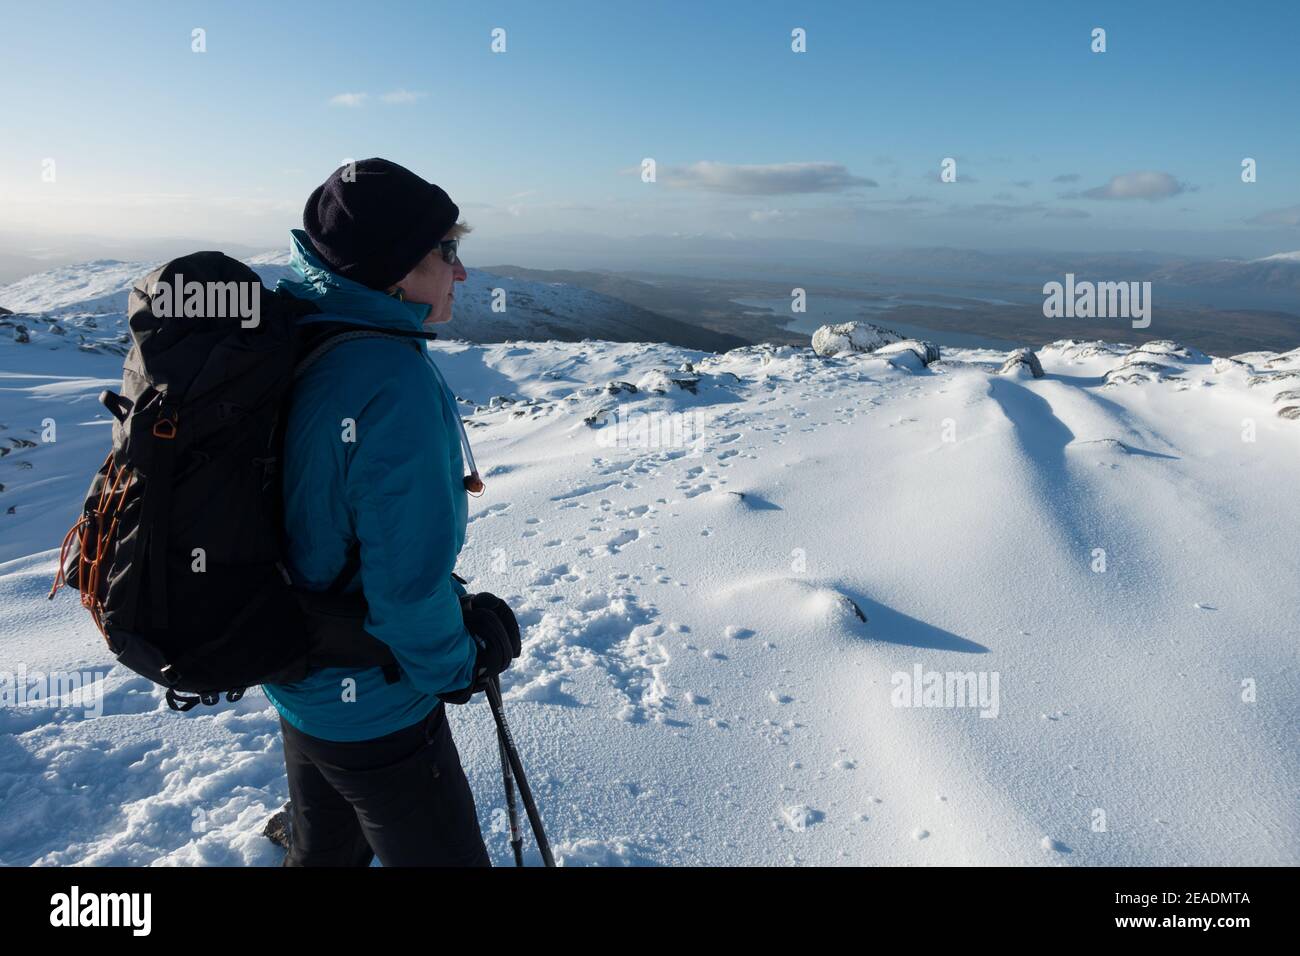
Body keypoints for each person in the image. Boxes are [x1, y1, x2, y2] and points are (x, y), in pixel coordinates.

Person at [262, 158, 520, 866]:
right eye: (448, 252)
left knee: (325, 856)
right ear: (395, 270)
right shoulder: (389, 381)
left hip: (296, 674)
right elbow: (404, 591)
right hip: (375, 707)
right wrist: (461, 663)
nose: (461, 273)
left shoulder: (304, 331)